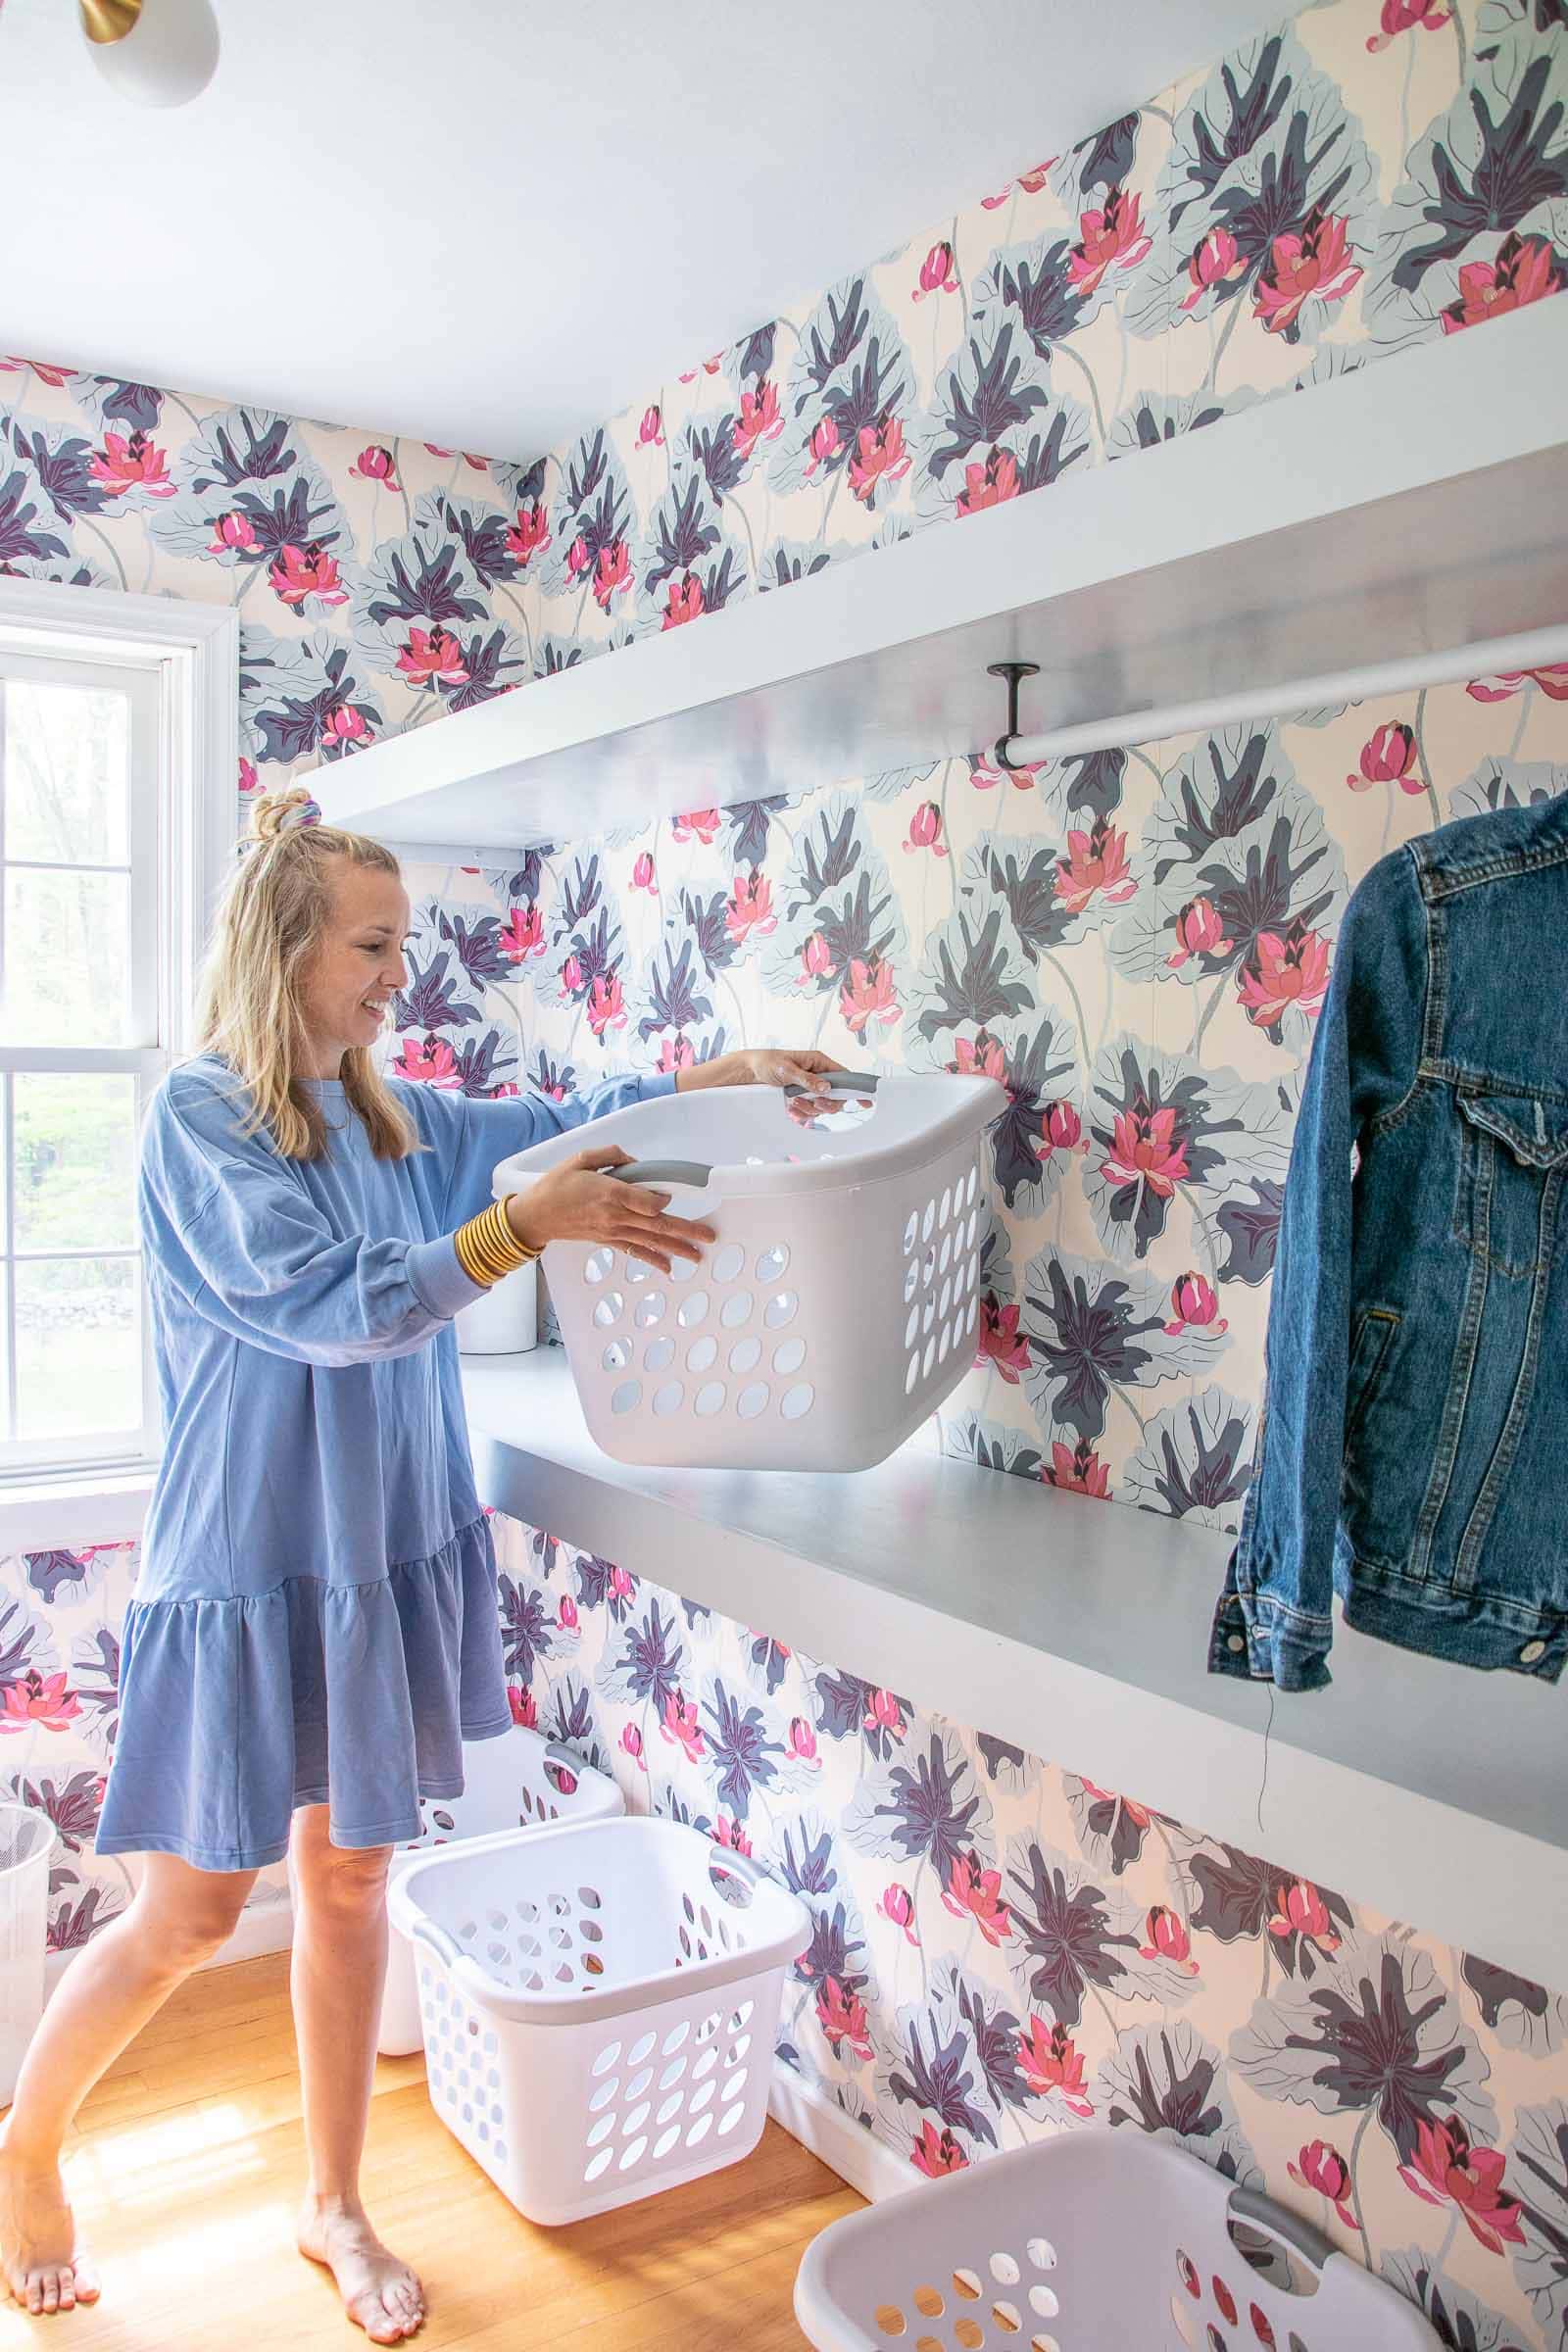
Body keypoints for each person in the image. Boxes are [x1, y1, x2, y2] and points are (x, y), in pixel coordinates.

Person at [0, 787, 844, 2336]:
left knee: (350, 1880)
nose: (400, 974)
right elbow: (333, 1303)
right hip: (249, 1559)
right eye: (375, 944)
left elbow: (554, 1135)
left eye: (403, 943)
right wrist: (523, 1232)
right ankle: (28, 2145)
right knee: (190, 1915)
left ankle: (333, 2205)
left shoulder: (398, 1117)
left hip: (383, 1543)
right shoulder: (201, 1120)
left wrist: (709, 1081)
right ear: (288, 950)